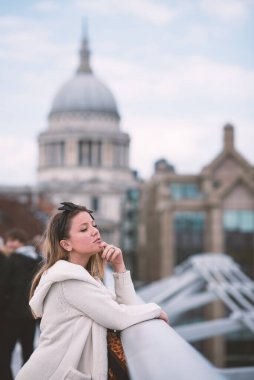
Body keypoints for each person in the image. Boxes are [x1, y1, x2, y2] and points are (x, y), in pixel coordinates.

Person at [15, 202, 168, 380]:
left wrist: (119, 266)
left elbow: (127, 307)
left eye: (93, 226)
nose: (95, 231)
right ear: (66, 244)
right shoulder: (69, 281)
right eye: (83, 229)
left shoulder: (85, 277)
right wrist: (155, 310)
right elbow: (119, 317)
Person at [0, 228, 41, 380]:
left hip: (10, 316)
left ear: (18, 242)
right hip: (30, 316)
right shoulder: (38, 260)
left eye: (10, 241)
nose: (8, 244)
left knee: (4, 355)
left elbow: (2, 287)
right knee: (28, 354)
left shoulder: (11, 260)